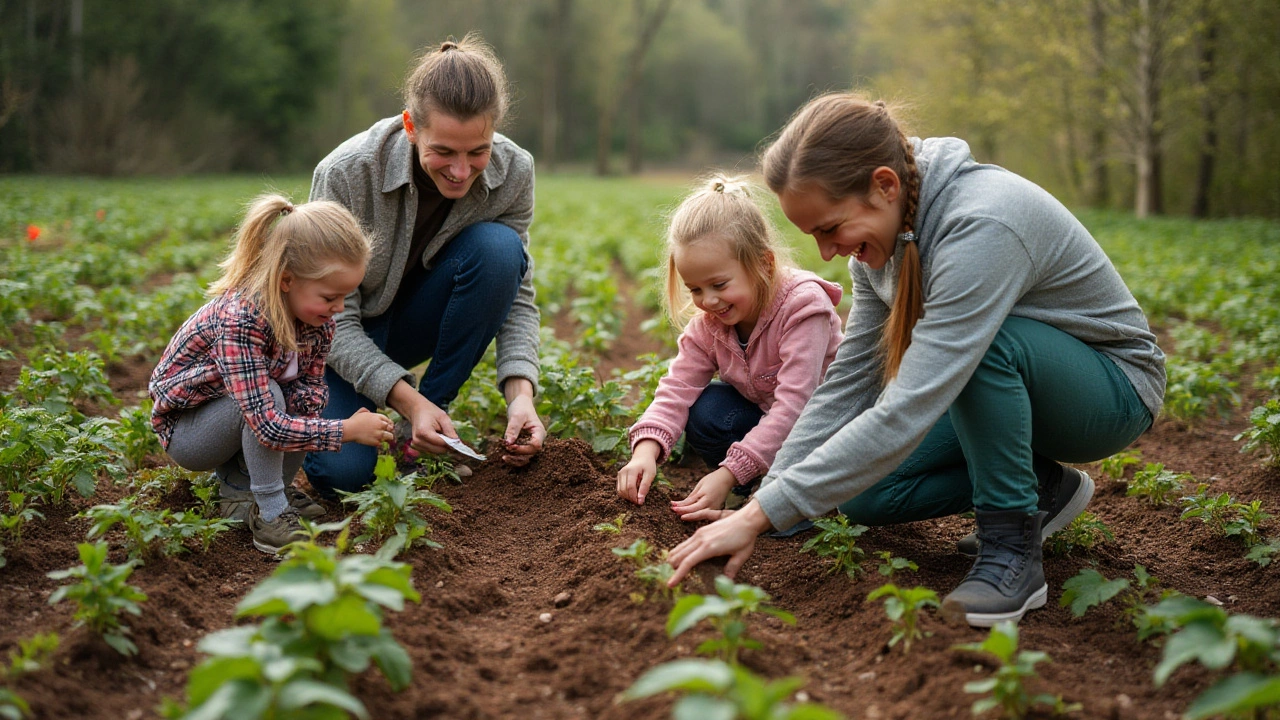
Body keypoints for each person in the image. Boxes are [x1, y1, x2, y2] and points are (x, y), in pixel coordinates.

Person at [665, 93, 1165, 628]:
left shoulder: (981, 225)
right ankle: (1043, 486)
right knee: (865, 494)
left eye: (830, 228)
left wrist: (763, 512)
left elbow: (910, 405)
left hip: (1107, 392)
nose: (827, 253)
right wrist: (770, 502)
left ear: (884, 185)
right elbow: (846, 386)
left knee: (989, 345)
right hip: (1007, 389)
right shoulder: (885, 239)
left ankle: (1011, 552)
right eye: (814, 236)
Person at [302, 33, 545, 498]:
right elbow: (332, 321)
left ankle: (430, 427)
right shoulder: (348, 173)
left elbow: (514, 296)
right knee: (344, 478)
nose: (460, 170)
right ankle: (418, 413)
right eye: (444, 152)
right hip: (340, 334)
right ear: (411, 126)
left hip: (415, 322)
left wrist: (521, 397)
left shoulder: (515, 171)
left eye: (478, 151)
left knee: (500, 252)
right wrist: (404, 400)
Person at [150, 194, 393, 554]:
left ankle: (248, 494)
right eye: (329, 296)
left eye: (346, 295)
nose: (339, 307)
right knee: (276, 395)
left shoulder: (317, 321)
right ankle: (271, 515)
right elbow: (267, 424)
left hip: (243, 413)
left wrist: (319, 417)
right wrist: (345, 430)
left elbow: (307, 397)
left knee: (302, 395)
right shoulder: (241, 320)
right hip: (190, 431)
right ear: (286, 280)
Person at [617, 176, 843, 522]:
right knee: (707, 410)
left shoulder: (803, 308)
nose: (707, 301)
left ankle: (796, 502)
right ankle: (751, 491)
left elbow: (796, 408)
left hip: (825, 434)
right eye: (695, 289)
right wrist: (645, 451)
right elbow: (677, 388)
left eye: (719, 284)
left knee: (786, 519)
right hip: (773, 427)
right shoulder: (711, 323)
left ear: (764, 264)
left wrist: (728, 472)